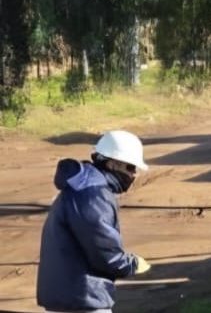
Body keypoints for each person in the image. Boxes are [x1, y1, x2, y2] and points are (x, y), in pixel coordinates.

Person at [37, 130, 152, 313]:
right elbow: (104, 252)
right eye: (130, 167)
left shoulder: (83, 186)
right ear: (113, 163)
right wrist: (131, 264)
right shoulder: (92, 195)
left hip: (71, 295)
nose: (134, 174)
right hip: (82, 299)